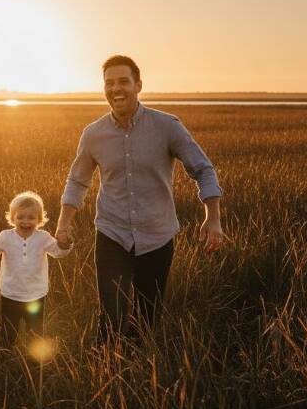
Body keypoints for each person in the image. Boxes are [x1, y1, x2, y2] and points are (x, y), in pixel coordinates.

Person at [55, 55, 224, 341]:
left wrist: (213, 218)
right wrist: (64, 222)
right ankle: (106, 372)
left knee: (148, 319)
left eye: (123, 81)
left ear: (138, 85)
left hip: (157, 235)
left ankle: (143, 375)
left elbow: (203, 169)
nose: (116, 89)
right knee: (112, 316)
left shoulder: (167, 126)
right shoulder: (93, 134)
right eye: (109, 83)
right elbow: (77, 180)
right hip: (112, 233)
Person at [0, 191, 71, 347]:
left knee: (35, 333)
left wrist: (64, 243)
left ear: (39, 219)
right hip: (11, 294)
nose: (25, 221)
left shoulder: (43, 237)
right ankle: (7, 357)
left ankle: (34, 361)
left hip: (36, 295)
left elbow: (58, 252)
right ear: (12, 218)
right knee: (8, 332)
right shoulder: (6, 237)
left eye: (31, 217)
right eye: (20, 217)